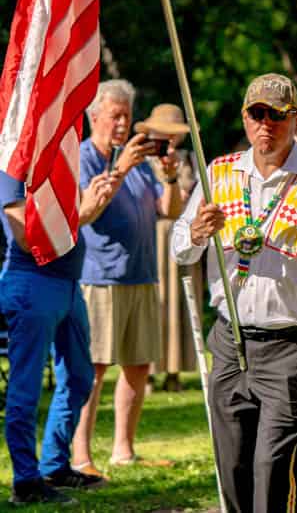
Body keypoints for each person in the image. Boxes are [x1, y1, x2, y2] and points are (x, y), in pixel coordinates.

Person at [171, 73, 297, 513]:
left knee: (272, 465)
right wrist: (196, 233)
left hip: (292, 346)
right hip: (230, 340)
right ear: (245, 118)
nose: (266, 124)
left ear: (295, 119)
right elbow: (179, 243)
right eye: (257, 114)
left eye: (277, 115)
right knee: (233, 465)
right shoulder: (218, 173)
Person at [72, 80, 184, 473]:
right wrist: (119, 168)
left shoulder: (136, 162)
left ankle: (123, 449)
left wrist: (169, 177)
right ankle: (80, 456)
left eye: (127, 116)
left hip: (141, 274)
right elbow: (90, 210)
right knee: (92, 370)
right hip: (99, 277)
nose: (122, 124)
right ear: (94, 117)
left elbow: (168, 210)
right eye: (114, 116)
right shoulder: (84, 157)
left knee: (138, 366)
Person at [0, 170, 114, 505]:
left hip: (68, 285)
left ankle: (54, 465)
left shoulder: (56, 159)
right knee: (27, 388)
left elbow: (76, 212)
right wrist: (85, 211)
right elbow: (25, 236)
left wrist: (94, 199)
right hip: (31, 284)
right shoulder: (11, 170)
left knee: (79, 379)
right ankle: (26, 482)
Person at [140, 104, 200, 393]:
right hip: (153, 236)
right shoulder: (142, 161)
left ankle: (175, 371)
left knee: (181, 302)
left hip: (184, 233)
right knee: (156, 301)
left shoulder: (191, 159)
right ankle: (148, 371)